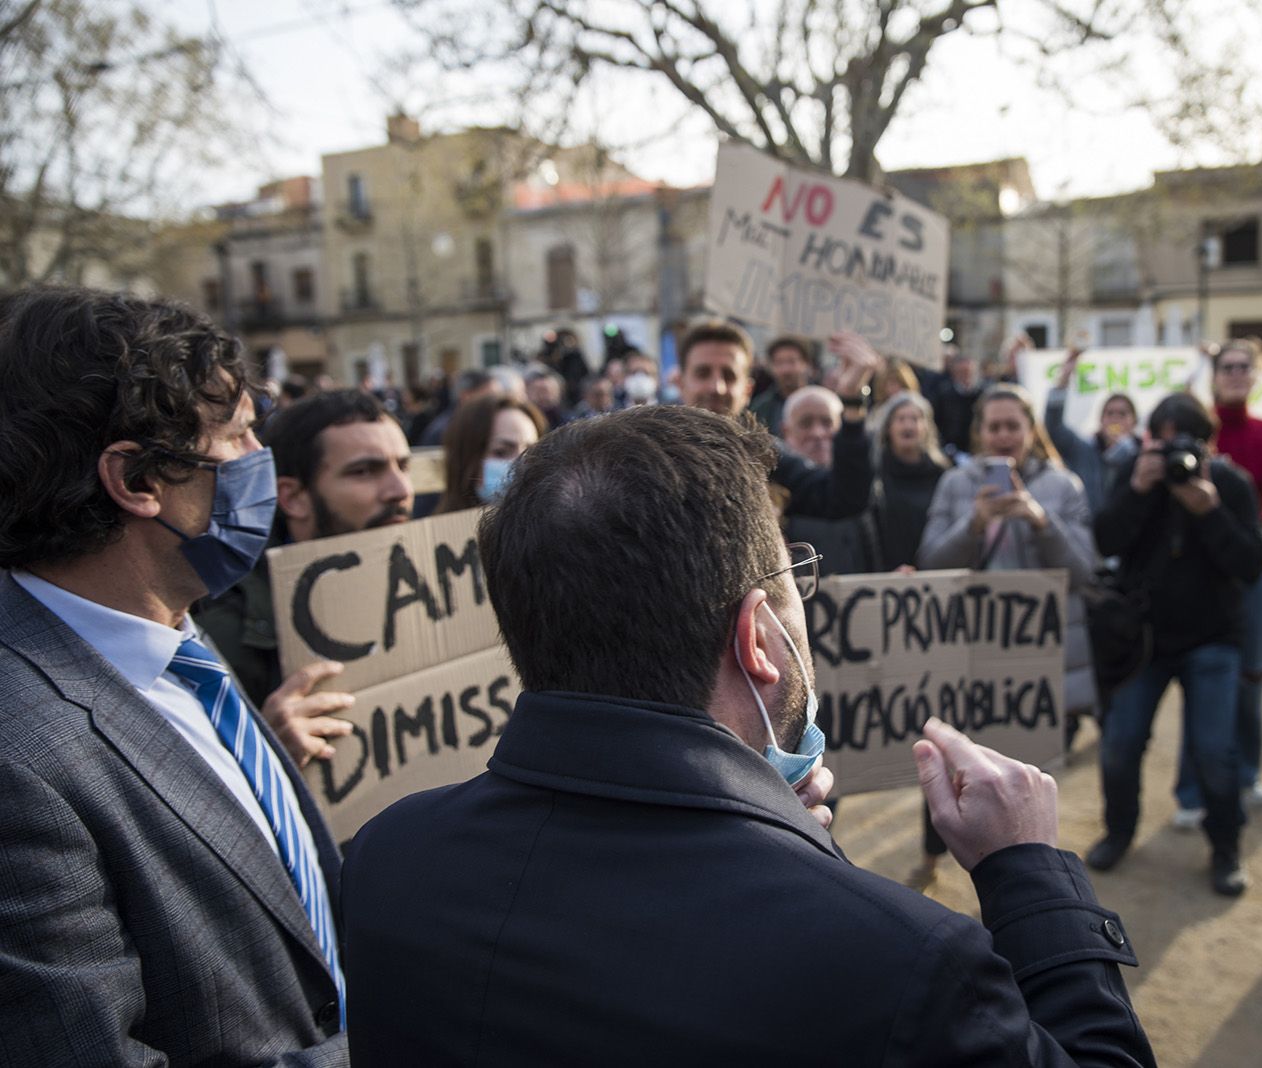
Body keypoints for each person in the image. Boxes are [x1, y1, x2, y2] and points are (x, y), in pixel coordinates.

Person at [339, 404, 1156, 1065]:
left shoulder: (387, 857)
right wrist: (1030, 873)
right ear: (760, 637)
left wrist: (776, 838)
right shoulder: (904, 963)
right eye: (795, 579)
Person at [0, 286, 347, 1063]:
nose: (261, 463)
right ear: (137, 481)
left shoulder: (171, 632)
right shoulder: (17, 759)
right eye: (239, 435)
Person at [1088, 393, 1262, 896]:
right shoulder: (1137, 478)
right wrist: (1137, 491)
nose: (1173, 456)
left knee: (1214, 752)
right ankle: (1118, 832)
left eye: (1184, 444)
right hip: (1144, 641)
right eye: (1162, 443)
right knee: (1120, 744)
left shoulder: (1230, 485)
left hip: (1213, 639)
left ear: (1208, 445)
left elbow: (1251, 565)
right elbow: (1106, 540)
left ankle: (1226, 848)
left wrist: (1210, 511)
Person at [194, 388, 412, 747]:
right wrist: (263, 745)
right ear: (294, 498)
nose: (400, 490)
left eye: (403, 466)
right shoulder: (227, 635)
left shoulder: (438, 587)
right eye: (364, 471)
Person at [1170, 338, 1262, 828]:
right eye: (1225, 366)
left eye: (1242, 366)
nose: (1234, 374)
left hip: (1252, 559)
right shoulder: (1195, 431)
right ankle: (1191, 790)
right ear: (1213, 375)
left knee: (1251, 674)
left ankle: (1246, 773)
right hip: (1201, 559)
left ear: (1256, 374)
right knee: (1199, 674)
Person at [918, 384, 1101, 749]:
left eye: (1013, 426)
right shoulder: (954, 484)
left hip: (1044, 659)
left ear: (1031, 430)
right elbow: (931, 563)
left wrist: (1041, 522)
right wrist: (973, 524)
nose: (1004, 436)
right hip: (975, 654)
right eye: (994, 427)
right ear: (980, 432)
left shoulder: (1063, 485)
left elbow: (1083, 572)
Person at [678, 319, 876, 520]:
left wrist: (852, 400)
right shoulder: (657, 451)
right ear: (681, 383)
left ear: (747, 390)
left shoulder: (765, 455)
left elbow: (844, 499)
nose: (716, 387)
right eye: (703, 373)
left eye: (729, 376)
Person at [781, 386, 878, 575]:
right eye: (805, 423)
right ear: (785, 430)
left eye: (827, 423)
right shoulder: (772, 490)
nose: (817, 433)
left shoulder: (863, 487)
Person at [1045, 352, 1141, 515]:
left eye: (1122, 414)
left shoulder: (1143, 455)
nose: (1115, 419)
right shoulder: (1084, 451)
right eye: (1109, 413)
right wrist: (1063, 380)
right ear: (1101, 421)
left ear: (1134, 422)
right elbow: (1054, 428)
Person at [871, 391, 951, 571]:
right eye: (900, 419)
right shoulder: (874, 472)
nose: (908, 425)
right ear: (888, 427)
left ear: (926, 427)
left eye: (915, 419)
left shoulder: (943, 473)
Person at [437, 395, 544, 513]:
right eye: (501, 452)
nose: (521, 465)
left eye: (531, 453)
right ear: (466, 458)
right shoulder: (437, 524)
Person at [748, 335, 815, 434]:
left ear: (806, 363)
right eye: (779, 363)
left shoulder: (823, 401)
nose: (786, 370)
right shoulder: (760, 408)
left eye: (792, 361)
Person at [932, 349, 986, 456]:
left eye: (969, 372)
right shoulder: (943, 394)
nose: (966, 375)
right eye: (962, 372)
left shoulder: (983, 394)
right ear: (955, 373)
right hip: (951, 449)